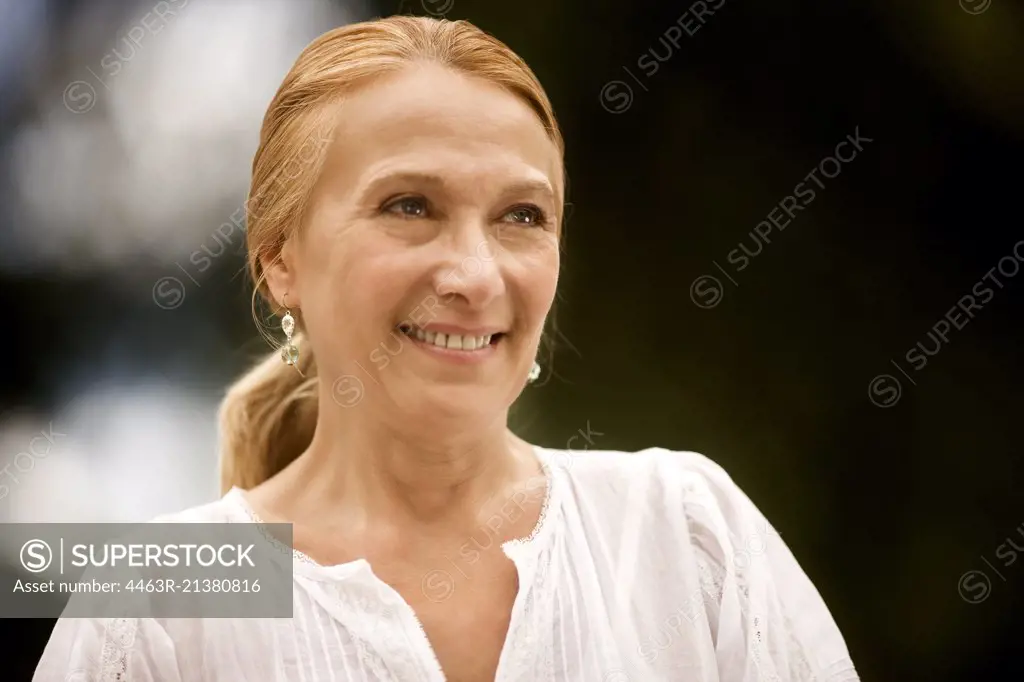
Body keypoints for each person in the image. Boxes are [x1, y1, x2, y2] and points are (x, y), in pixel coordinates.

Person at [35, 15, 858, 682]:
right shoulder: (155, 607)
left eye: (522, 216)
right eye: (409, 205)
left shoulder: (685, 534)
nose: (474, 274)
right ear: (281, 258)